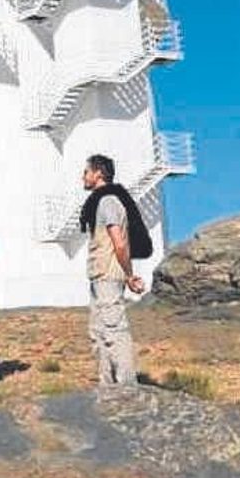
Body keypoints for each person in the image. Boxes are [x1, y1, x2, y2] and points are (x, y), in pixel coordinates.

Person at [79, 153, 148, 391]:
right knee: (98, 332)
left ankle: (127, 385)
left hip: (108, 273)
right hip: (99, 274)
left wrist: (129, 275)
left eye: (86, 171)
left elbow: (119, 242)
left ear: (98, 173)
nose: (83, 177)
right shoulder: (99, 202)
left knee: (114, 329)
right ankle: (107, 384)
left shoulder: (108, 201)